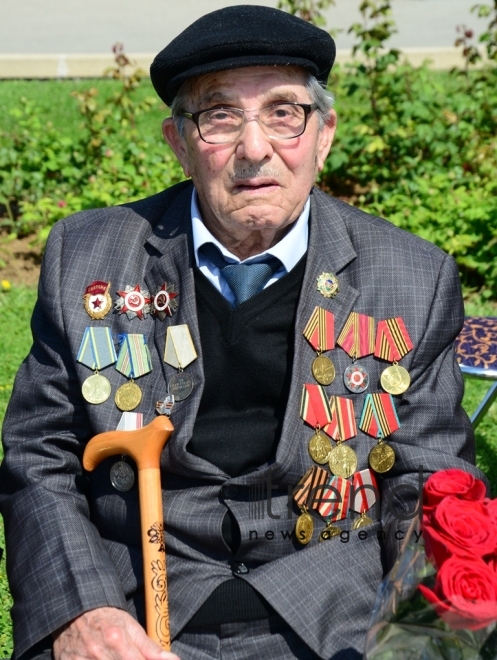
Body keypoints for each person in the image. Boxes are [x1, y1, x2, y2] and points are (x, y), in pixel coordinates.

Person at [0, 5, 483, 660]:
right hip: (137, 605)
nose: (255, 147)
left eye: (284, 112)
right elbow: (40, 451)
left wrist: (416, 638)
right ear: (178, 140)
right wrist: (82, 611)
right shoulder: (90, 257)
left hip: (331, 618)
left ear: (324, 134)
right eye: (220, 116)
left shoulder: (409, 277)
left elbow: (426, 479)